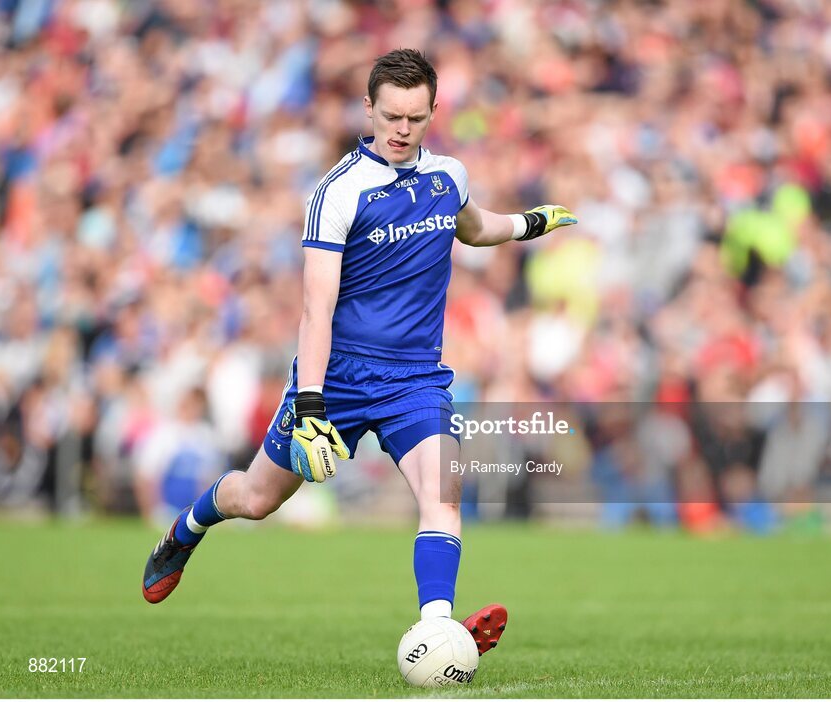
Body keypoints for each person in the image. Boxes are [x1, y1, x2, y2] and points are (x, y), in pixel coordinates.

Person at [141, 49, 577, 657]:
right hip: (337, 379)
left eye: (416, 118)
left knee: (443, 494)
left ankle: (437, 628)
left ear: (431, 114)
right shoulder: (338, 192)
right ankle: (186, 529)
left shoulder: (448, 175)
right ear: (368, 108)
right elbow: (316, 307)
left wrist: (530, 224)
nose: (402, 130)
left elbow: (474, 227)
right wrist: (314, 402)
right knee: (257, 500)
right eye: (392, 116)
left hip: (416, 379)